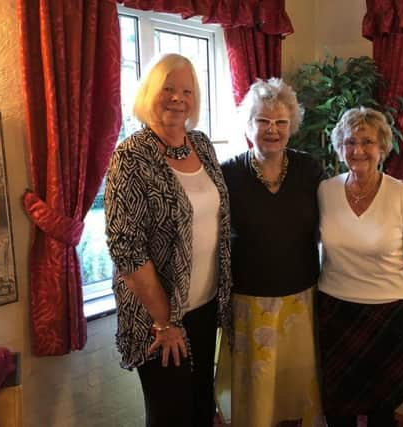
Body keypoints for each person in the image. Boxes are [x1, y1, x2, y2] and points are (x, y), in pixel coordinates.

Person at [104, 53, 231, 427]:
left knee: (199, 406)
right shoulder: (131, 155)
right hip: (156, 317)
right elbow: (125, 246)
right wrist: (166, 321)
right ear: (150, 93)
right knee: (170, 414)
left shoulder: (202, 145)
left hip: (204, 306)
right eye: (169, 89)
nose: (178, 98)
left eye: (187, 91)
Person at [215, 78, 325, 427]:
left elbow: (343, 207)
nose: (272, 130)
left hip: (300, 298)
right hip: (250, 301)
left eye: (280, 122)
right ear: (249, 126)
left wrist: (388, 192)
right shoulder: (228, 173)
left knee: (298, 387)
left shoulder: (310, 169)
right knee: (257, 394)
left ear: (292, 125)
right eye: (263, 121)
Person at [317, 107, 403, 427]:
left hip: (390, 316)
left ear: (383, 148)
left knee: (385, 412)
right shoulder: (325, 191)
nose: (358, 150)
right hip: (335, 313)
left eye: (368, 142)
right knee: (337, 409)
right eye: (350, 142)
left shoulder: (402, 196)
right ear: (339, 148)